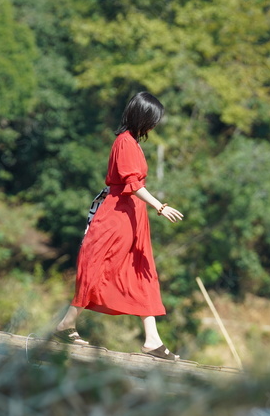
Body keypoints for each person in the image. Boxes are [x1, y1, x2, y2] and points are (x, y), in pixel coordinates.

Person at [54, 92, 184, 360]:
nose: (154, 126)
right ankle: (65, 324)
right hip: (117, 217)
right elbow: (132, 184)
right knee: (99, 268)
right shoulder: (124, 142)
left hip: (133, 219)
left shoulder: (133, 143)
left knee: (142, 272)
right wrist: (160, 206)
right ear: (142, 116)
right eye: (152, 120)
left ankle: (152, 339)